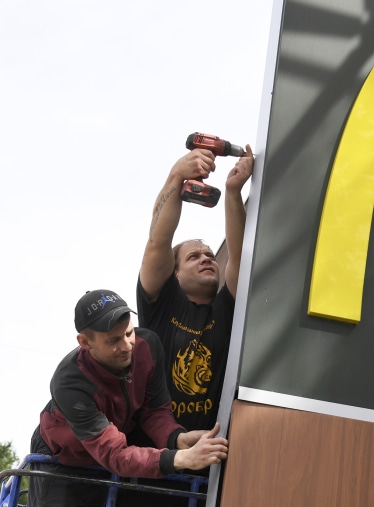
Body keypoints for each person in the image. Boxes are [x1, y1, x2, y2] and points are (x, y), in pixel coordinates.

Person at [28, 289, 229, 507]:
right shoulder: (69, 383)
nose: (126, 346)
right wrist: (181, 459)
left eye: (128, 333)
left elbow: (154, 412)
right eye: (114, 340)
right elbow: (114, 454)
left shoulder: (148, 345)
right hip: (63, 455)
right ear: (85, 342)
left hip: (113, 451)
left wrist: (177, 438)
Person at [137, 144, 253, 432]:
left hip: (207, 465)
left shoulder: (227, 308)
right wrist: (176, 176)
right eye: (194, 256)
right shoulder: (161, 302)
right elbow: (157, 242)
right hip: (153, 458)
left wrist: (233, 191)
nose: (206, 258)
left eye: (210, 255)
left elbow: (239, 255)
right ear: (174, 273)